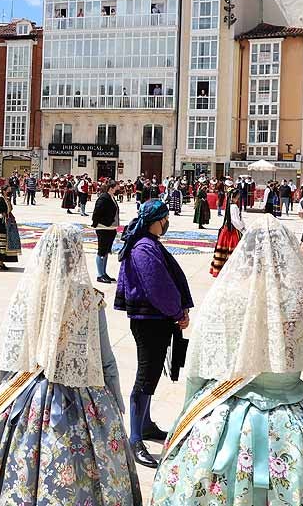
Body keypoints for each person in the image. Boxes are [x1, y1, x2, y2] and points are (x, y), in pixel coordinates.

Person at [152, 214, 303, 505]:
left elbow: (197, 370)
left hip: (223, 415)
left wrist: (187, 416)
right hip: (293, 426)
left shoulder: (224, 296)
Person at [0, 224, 140, 505]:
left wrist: (3, 401)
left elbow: (11, 356)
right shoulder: (89, 300)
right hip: (83, 400)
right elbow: (106, 363)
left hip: (27, 396)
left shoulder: (27, 295)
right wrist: (114, 408)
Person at [115, 200, 193, 468]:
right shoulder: (144, 248)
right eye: (165, 218)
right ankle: (135, 438)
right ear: (156, 220)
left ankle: (146, 425)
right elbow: (158, 286)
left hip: (156, 319)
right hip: (149, 321)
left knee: (151, 374)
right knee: (145, 377)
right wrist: (177, 312)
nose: (167, 223)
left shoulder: (147, 243)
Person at [91, 178, 120, 284]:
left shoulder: (112, 197)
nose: (118, 189)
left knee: (106, 251)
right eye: (116, 187)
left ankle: (104, 273)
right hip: (103, 228)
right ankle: (100, 274)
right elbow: (97, 212)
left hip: (111, 228)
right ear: (111, 188)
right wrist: (96, 223)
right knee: (101, 251)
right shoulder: (103, 198)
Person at [210, 188, 245, 277]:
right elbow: (235, 220)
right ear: (235, 197)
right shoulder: (234, 206)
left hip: (227, 229)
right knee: (232, 248)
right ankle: (231, 270)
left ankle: (220, 269)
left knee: (224, 249)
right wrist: (242, 228)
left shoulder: (230, 205)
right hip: (231, 230)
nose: (239, 197)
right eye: (238, 196)